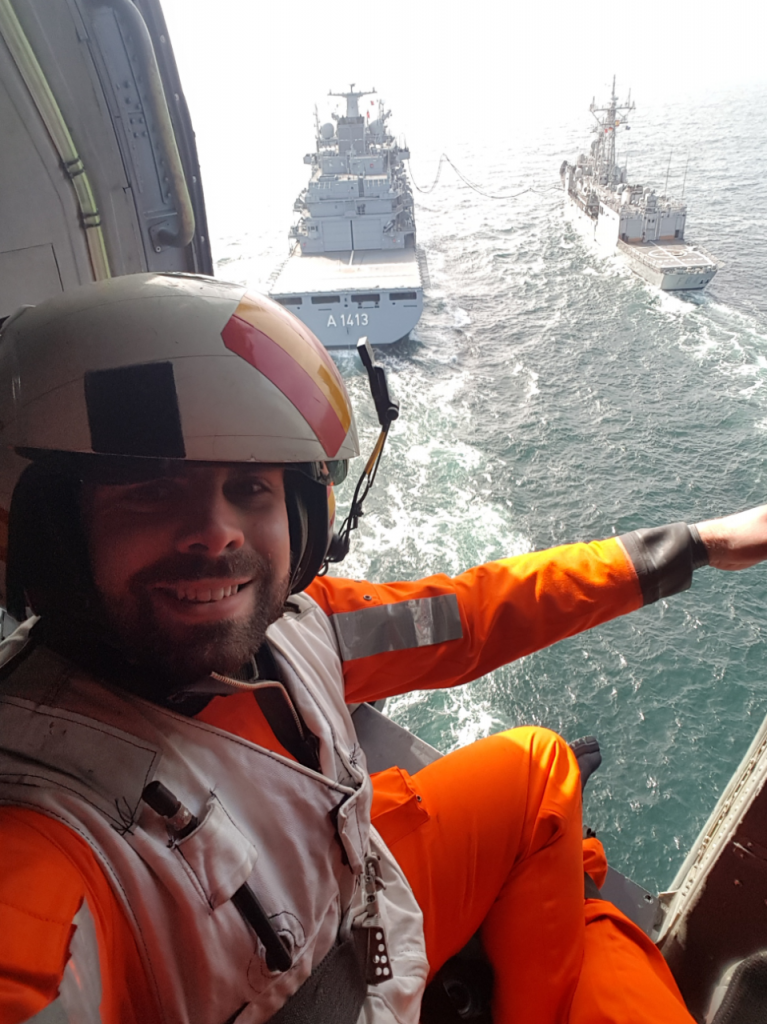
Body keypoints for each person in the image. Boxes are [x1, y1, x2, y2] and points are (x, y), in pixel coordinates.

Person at [0, 274, 765, 1024]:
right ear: (53, 538)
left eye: (251, 489)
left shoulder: (299, 628)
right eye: (150, 491)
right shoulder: (41, 835)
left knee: (538, 767)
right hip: (325, 974)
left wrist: (689, 546)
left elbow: (467, 616)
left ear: (298, 514)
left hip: (357, 919)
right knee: (610, 954)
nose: (218, 531)